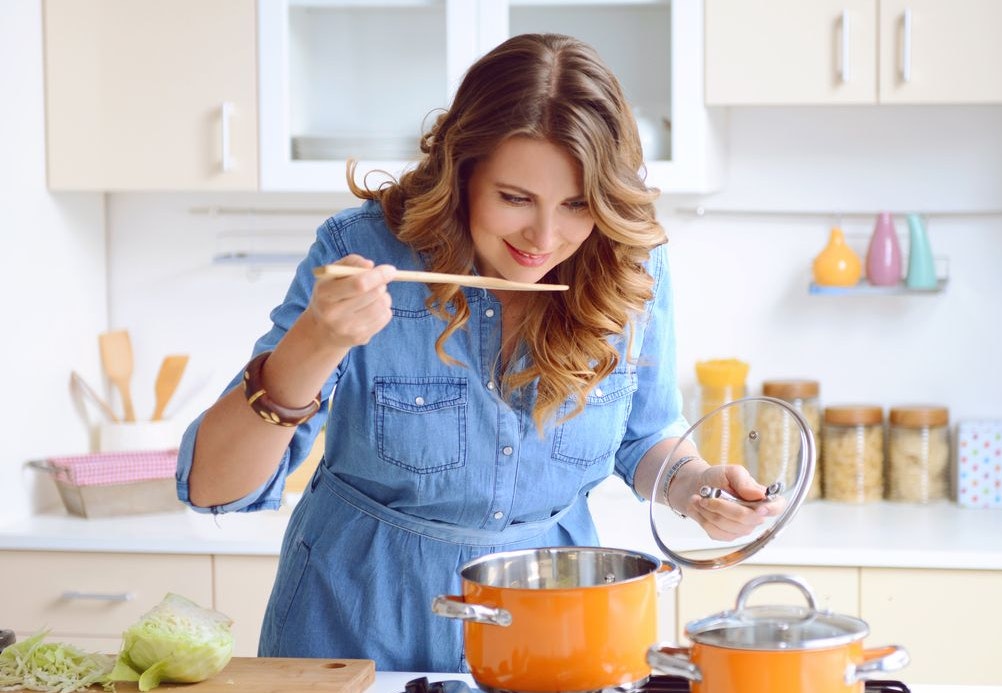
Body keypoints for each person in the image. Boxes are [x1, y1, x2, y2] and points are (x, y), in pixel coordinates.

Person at [177, 33, 776, 673]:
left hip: (553, 625)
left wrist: (699, 486)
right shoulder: (364, 251)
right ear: (461, 173)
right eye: (515, 198)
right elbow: (215, 490)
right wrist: (316, 343)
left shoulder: (627, 265)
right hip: (353, 629)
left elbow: (645, 435)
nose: (544, 238)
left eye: (577, 205)